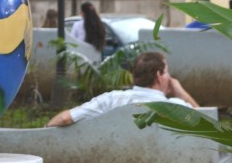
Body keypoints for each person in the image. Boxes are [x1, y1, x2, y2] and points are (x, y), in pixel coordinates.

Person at [46, 51, 198, 127]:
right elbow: (207, 122)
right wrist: (180, 90)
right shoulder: (176, 107)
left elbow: (65, 118)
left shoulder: (111, 99)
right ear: (159, 76)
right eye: (167, 71)